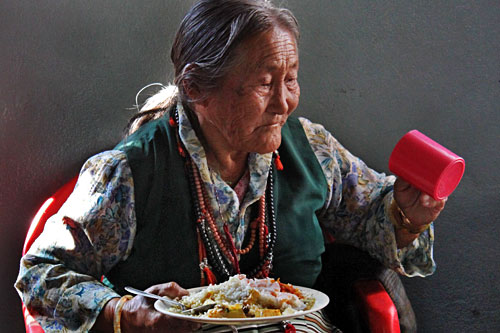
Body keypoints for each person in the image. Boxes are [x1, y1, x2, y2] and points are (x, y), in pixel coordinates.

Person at [15, 0, 446, 332]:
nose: (284, 104)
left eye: (290, 78)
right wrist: (130, 315)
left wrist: (408, 214)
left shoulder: (311, 148)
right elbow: (41, 276)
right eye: (264, 83)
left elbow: (377, 218)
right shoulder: (128, 174)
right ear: (197, 87)